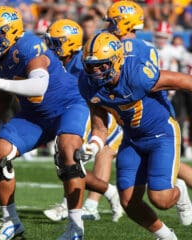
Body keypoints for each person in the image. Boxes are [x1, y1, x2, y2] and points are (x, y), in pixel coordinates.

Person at [0, 5, 92, 240]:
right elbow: (2, 96)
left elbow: (38, 85)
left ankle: (75, 227)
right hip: (33, 115)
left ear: (12, 31)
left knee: (69, 154)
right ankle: (11, 223)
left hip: (67, 107)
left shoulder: (29, 45)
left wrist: (1, 83)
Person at [79, 31, 192, 240]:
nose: (96, 72)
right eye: (90, 66)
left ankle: (180, 190)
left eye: (102, 65)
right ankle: (167, 237)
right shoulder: (87, 84)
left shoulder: (136, 75)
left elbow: (184, 81)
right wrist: (93, 146)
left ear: (116, 60)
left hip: (161, 134)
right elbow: (100, 125)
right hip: (131, 139)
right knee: (129, 201)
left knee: (162, 200)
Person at [105, 0, 192, 226]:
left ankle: (178, 190)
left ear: (126, 23)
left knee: (160, 197)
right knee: (131, 197)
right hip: (132, 126)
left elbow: (157, 80)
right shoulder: (116, 46)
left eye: (113, 21)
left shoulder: (138, 51)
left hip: (153, 118)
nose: (108, 26)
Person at [43, 18, 124, 222]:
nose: (51, 47)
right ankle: (107, 193)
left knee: (71, 158)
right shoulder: (59, 61)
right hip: (81, 113)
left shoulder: (84, 63)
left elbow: (100, 91)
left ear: (69, 43)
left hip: (98, 115)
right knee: (66, 160)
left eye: (56, 42)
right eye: (50, 42)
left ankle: (71, 205)